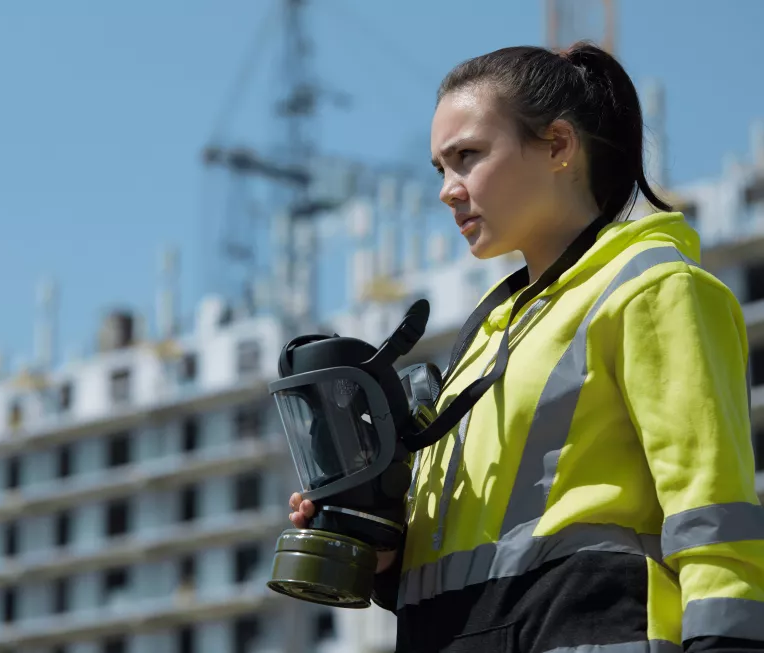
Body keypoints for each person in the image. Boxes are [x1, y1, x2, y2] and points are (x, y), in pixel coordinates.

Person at [289, 41, 764, 653]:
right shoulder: (485, 342)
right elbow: (482, 554)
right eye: (441, 168)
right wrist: (386, 553)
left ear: (559, 146)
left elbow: (715, 517)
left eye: (467, 157)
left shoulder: (656, 289)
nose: (448, 190)